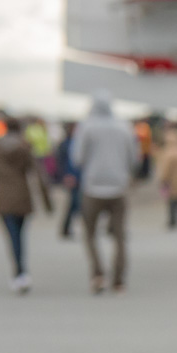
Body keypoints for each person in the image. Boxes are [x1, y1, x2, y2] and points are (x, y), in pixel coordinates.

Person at [0, 116, 52, 293]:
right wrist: (47, 202)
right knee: (19, 234)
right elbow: (39, 174)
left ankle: (19, 272)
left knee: (12, 235)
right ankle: (21, 271)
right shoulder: (25, 147)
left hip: (2, 197)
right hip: (22, 195)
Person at [72, 91, 138, 294]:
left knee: (90, 234)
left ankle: (98, 274)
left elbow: (77, 157)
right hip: (118, 187)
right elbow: (134, 158)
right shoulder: (124, 127)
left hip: (93, 187)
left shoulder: (87, 127)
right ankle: (118, 280)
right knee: (119, 236)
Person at [55, 121, 83, 238]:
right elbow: (61, 162)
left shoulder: (79, 142)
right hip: (71, 177)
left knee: (77, 203)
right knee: (74, 203)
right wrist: (65, 176)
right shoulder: (65, 144)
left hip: (81, 177)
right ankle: (66, 227)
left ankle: (68, 227)